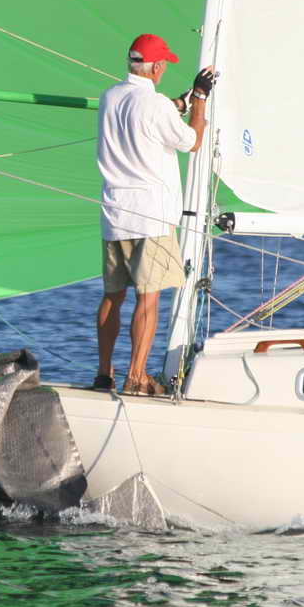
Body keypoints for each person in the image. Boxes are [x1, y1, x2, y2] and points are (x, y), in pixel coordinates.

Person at [93, 33, 214, 396]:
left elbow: (143, 115)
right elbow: (193, 141)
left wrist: (179, 102)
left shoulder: (109, 97)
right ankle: (136, 377)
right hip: (151, 217)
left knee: (113, 296)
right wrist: (199, 100)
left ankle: (104, 374)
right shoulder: (157, 106)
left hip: (115, 213)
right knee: (148, 299)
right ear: (157, 67)